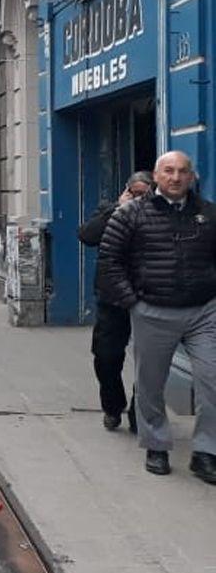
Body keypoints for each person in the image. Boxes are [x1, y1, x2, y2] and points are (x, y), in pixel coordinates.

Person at [98, 151, 216, 482]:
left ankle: (206, 452)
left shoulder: (208, 214)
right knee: (151, 384)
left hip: (203, 311)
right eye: (168, 171)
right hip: (153, 310)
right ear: (156, 175)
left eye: (182, 171)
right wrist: (133, 301)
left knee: (212, 381)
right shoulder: (131, 214)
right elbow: (109, 260)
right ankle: (157, 445)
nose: (176, 178)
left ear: (192, 176)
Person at [78, 172, 152, 432]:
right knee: (106, 357)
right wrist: (118, 209)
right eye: (135, 193)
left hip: (149, 298)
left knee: (150, 361)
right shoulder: (110, 211)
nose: (139, 199)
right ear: (125, 191)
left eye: (145, 193)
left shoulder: (160, 215)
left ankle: (138, 412)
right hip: (112, 298)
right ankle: (112, 405)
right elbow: (87, 235)